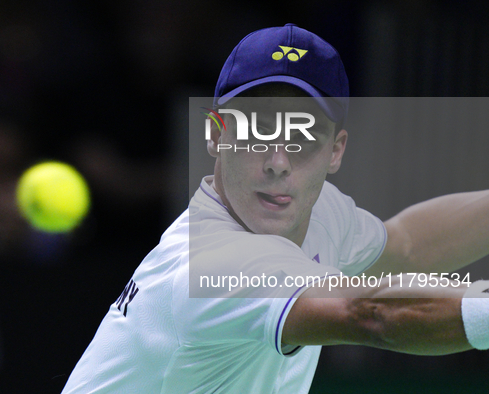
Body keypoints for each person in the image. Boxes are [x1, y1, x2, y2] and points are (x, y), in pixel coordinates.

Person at [60, 23, 489, 393]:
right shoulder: (211, 264)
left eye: (302, 136)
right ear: (215, 133)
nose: (278, 163)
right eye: (258, 129)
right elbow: (370, 313)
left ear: (335, 151)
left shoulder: (316, 211)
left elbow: (406, 246)